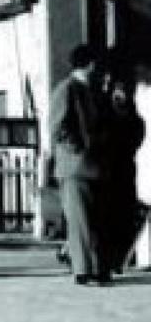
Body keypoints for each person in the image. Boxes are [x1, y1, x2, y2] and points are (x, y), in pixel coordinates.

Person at [50, 44, 111, 286]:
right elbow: (58, 126)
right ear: (90, 64)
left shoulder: (94, 91)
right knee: (80, 221)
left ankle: (96, 266)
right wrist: (78, 148)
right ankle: (82, 269)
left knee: (95, 220)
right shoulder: (66, 90)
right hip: (76, 167)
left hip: (96, 167)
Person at [102, 52, 145, 273]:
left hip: (124, 168)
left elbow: (139, 131)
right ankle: (108, 260)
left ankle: (117, 259)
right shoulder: (105, 108)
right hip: (109, 168)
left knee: (124, 216)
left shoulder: (131, 111)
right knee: (109, 216)